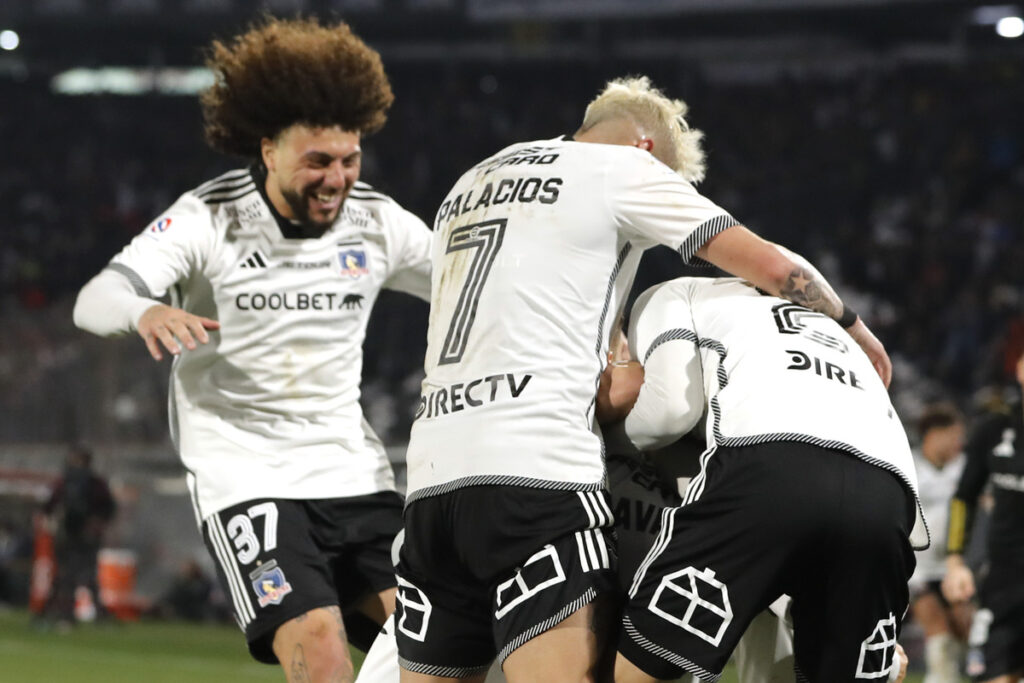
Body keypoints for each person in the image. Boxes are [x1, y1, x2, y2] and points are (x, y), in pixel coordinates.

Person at [394, 76, 892, 682]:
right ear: (648, 150)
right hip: (535, 473)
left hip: (431, 477)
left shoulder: (468, 183)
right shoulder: (622, 171)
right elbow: (769, 264)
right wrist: (855, 329)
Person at [73, 17, 432, 683]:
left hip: (353, 473)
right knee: (320, 647)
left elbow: (464, 284)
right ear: (268, 150)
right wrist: (144, 307)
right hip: (249, 476)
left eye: (349, 159)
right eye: (317, 161)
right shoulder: (208, 218)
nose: (337, 178)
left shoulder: (377, 221)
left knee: (439, 644)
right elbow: (95, 299)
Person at [599, 277, 925, 683]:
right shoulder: (823, 322)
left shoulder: (678, 291)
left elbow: (670, 413)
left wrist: (597, 431)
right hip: (889, 491)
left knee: (640, 666)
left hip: (770, 462)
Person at [942, 349, 1024, 683]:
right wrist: (954, 563)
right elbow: (963, 499)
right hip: (1002, 584)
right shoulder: (994, 430)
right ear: (1019, 369)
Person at [908, 403, 971, 683]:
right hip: (919, 568)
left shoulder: (964, 468)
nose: (959, 443)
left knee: (966, 629)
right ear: (935, 434)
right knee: (939, 632)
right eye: (955, 435)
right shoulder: (909, 464)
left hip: (952, 566)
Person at [42, 445, 117, 627]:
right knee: (82, 575)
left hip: (73, 533)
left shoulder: (68, 482)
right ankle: (88, 613)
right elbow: (109, 507)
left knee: (73, 575)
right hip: (79, 533)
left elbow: (49, 505)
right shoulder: (93, 483)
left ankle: (67, 613)